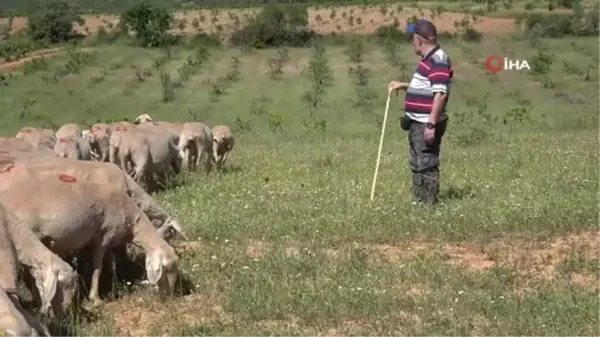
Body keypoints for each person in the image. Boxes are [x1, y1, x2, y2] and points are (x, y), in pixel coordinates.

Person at [388, 19, 453, 206]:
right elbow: (429, 87)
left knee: (426, 164)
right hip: (419, 121)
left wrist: (431, 124)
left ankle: (428, 207)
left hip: (426, 122)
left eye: (412, 38)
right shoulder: (429, 60)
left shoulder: (438, 60)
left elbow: (440, 94)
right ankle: (419, 203)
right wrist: (404, 85)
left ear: (419, 40)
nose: (411, 42)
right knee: (418, 163)